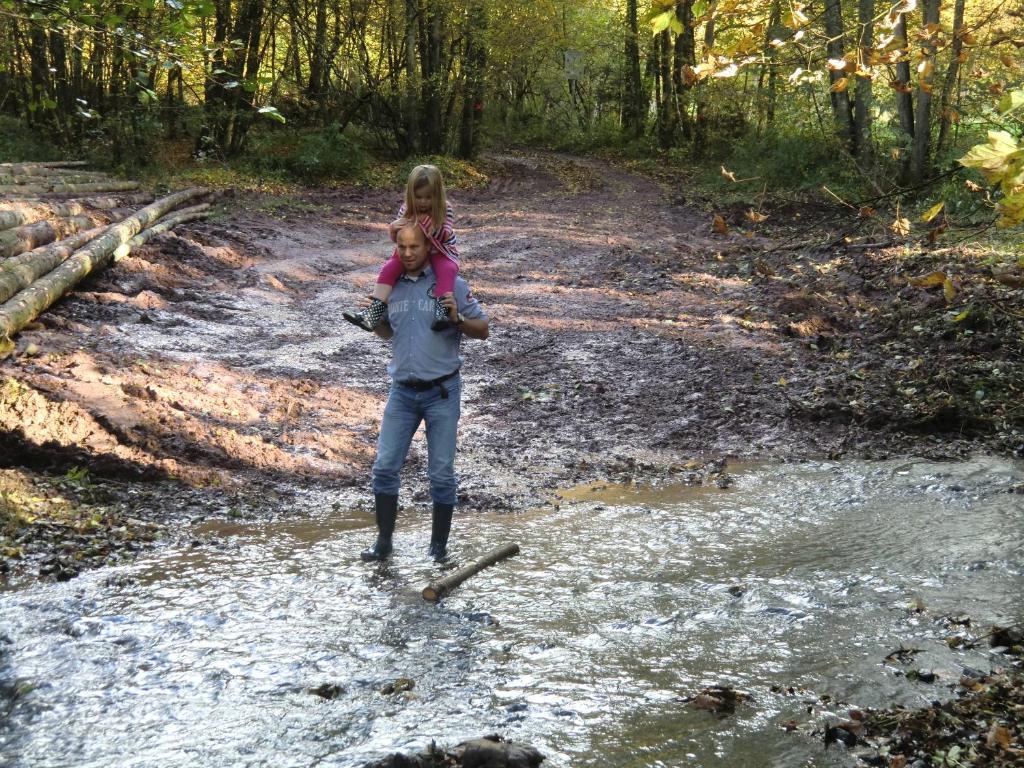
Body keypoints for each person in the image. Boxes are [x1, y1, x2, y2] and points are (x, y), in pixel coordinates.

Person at [360, 221, 489, 563]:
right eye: (401, 247)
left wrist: (457, 319)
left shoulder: (452, 285)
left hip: (442, 392)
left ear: (429, 247)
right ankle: (384, 543)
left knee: (441, 473)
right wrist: (376, 323)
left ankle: (438, 549)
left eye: (414, 247)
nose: (407, 253)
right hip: (402, 392)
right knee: (385, 466)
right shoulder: (390, 287)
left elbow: (484, 330)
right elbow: (390, 335)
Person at [344, 164, 460, 333]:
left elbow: (445, 235)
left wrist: (429, 224)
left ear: (437, 195)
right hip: (412, 249)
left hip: (439, 250)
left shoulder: (445, 209)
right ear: (411, 195)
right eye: (419, 197)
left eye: (429, 197)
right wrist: (394, 228)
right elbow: (397, 238)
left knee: (448, 269)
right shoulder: (406, 209)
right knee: (389, 268)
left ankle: (442, 312)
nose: (423, 202)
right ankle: (373, 312)